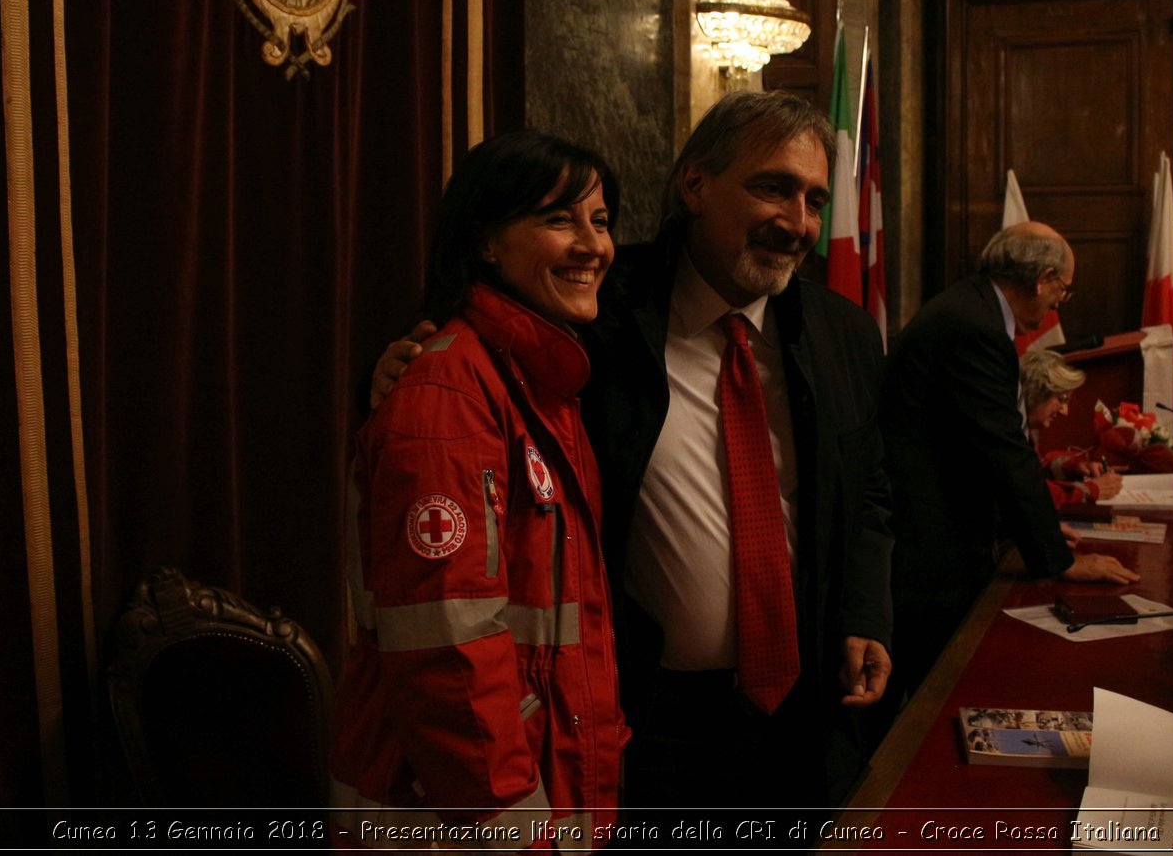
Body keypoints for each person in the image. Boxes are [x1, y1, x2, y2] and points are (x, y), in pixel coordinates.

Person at [374, 92, 896, 813]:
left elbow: (869, 484)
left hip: (805, 712)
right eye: (772, 186)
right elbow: (482, 338)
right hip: (647, 721)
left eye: (814, 198)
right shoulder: (594, 304)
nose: (797, 222)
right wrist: (410, 358)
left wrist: (866, 612)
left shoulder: (844, 332)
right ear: (694, 184)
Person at [332, 131, 626, 845]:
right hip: (455, 815)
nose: (592, 244)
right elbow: (447, 653)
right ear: (488, 242)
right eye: (560, 219)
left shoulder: (539, 378)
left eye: (601, 219)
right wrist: (512, 827)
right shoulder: (447, 395)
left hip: (540, 789)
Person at [880, 222, 1140, 692]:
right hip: (929, 550)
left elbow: (978, 445)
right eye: (1063, 288)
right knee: (932, 689)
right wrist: (1058, 559)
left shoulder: (972, 309)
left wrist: (1029, 528)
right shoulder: (973, 326)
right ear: (1041, 278)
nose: (1060, 301)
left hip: (940, 534)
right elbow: (1001, 449)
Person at [1018, 348, 1121, 508]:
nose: (1065, 412)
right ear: (1036, 392)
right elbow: (1026, 491)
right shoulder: (1007, 428)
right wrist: (1090, 490)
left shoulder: (1026, 425)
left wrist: (1074, 468)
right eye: (1062, 399)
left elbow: (1033, 470)